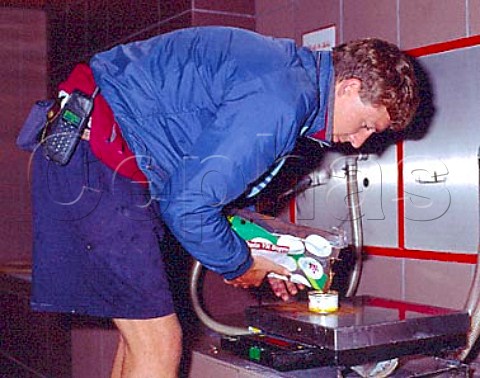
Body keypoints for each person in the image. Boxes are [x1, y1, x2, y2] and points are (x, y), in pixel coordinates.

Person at [26, 26, 419, 377]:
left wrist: (268, 253)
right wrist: (242, 264)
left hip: (96, 153)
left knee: (142, 337)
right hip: (98, 160)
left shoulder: (286, 77)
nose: (358, 142)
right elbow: (188, 206)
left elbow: (201, 188)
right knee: (161, 342)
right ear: (349, 86)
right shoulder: (282, 99)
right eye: (366, 123)